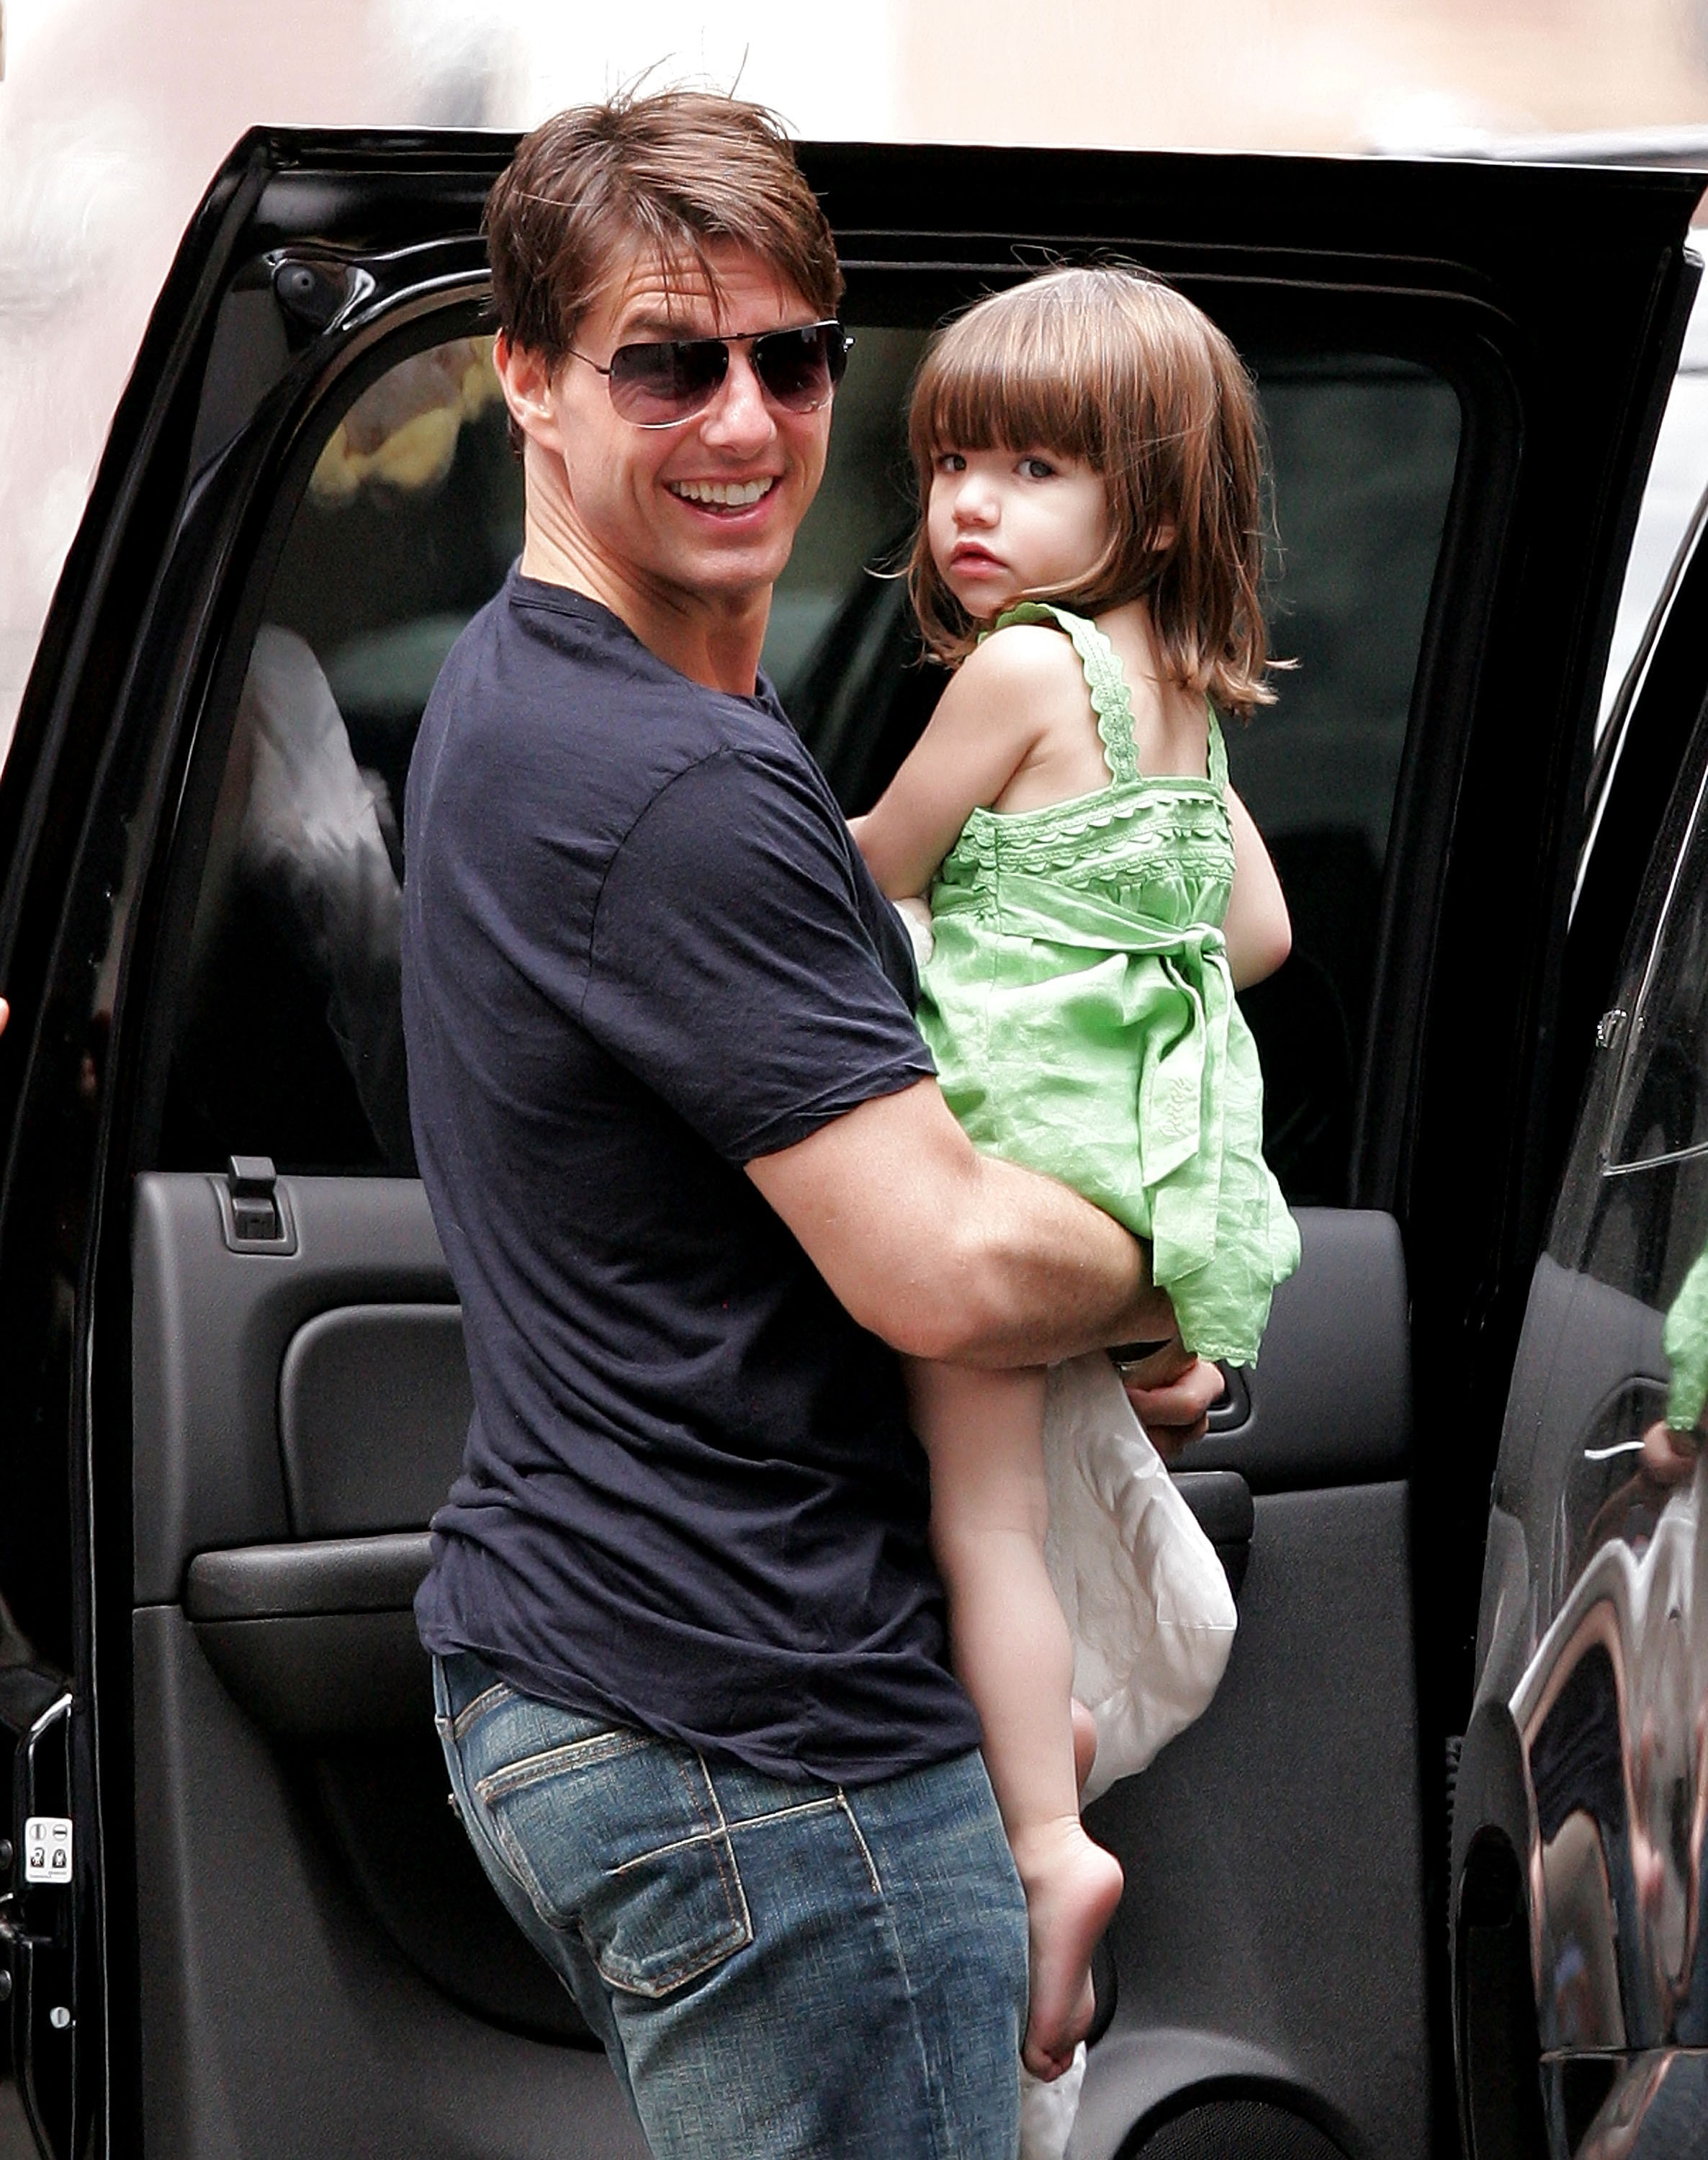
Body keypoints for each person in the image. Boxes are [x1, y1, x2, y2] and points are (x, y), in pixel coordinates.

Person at [402, 93, 1221, 2160]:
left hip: (601, 1678)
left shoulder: (526, 696)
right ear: (525, 376)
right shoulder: (672, 780)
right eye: (669, 362)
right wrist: (1175, 1244)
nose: (746, 420)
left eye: (789, 359)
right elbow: (935, 1260)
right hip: (764, 1742)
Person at [853, 266, 1302, 2084]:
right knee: (1040, 1487)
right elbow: (1255, 931)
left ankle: (1046, 1846)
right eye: (953, 459)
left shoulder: (1025, 668)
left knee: (983, 1521)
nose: (971, 505)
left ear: (1158, 500)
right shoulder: (1171, 686)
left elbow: (875, 859)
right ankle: (1058, 1787)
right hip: (1124, 1163)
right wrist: (1125, 957)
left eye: (1032, 467)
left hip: (1002, 1149)